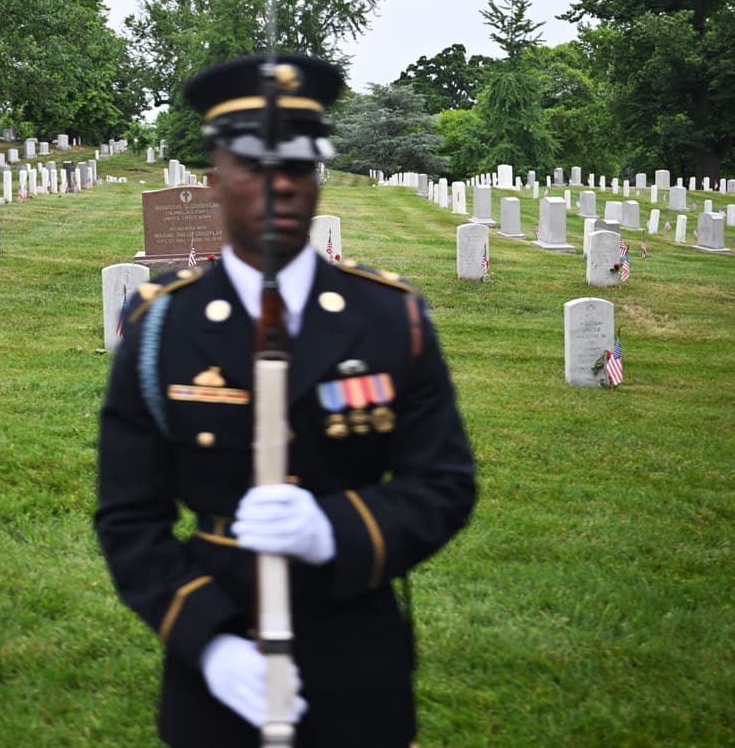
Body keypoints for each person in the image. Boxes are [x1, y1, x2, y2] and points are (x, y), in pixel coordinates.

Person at [95, 53, 477, 747]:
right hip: (217, 660)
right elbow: (129, 517)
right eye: (254, 166)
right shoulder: (163, 325)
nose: (280, 187)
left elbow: (444, 483)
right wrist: (210, 642)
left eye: (299, 167)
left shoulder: (389, 317)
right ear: (215, 181)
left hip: (357, 658)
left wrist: (334, 529)